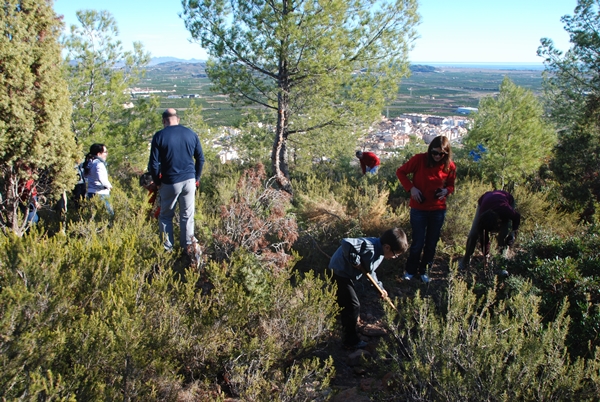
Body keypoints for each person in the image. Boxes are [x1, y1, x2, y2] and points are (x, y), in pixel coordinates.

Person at [328, 228, 408, 349]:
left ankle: (345, 322)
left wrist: (380, 288)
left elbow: (370, 272)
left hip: (347, 274)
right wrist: (355, 260)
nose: (394, 257)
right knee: (353, 305)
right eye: (395, 254)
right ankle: (350, 341)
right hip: (339, 271)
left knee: (347, 302)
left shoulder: (380, 254)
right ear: (387, 247)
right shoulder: (370, 246)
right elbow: (346, 243)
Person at [396, 135, 456, 283]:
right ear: (430, 151)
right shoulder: (419, 160)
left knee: (431, 243)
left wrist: (446, 191)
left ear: (446, 153)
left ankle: (425, 271)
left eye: (441, 154)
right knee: (418, 242)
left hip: (438, 209)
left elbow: (451, 184)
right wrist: (412, 189)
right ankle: (410, 271)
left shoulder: (450, 166)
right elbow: (401, 172)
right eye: (434, 152)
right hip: (419, 209)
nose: (437, 156)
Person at [149, 108, 205, 253]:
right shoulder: (191, 133)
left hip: (170, 181)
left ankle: (167, 250)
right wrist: (196, 178)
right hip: (189, 180)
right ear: (178, 119)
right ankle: (188, 248)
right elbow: (200, 158)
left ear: (164, 121)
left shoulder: (159, 136)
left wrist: (157, 182)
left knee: (166, 216)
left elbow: (153, 164)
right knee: (187, 215)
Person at [460, 190, 520, 269]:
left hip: (505, 200)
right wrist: (486, 256)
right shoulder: (483, 215)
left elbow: (517, 217)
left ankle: (501, 263)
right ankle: (465, 261)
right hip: (485, 201)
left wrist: (512, 233)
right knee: (473, 234)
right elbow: (483, 237)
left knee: (504, 234)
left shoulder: (506, 210)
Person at [84, 143, 113, 215]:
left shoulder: (89, 163)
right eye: (105, 152)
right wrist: (108, 185)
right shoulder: (99, 164)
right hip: (101, 193)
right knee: (108, 215)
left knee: (95, 216)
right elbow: (100, 177)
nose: (106, 154)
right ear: (99, 154)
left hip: (91, 192)